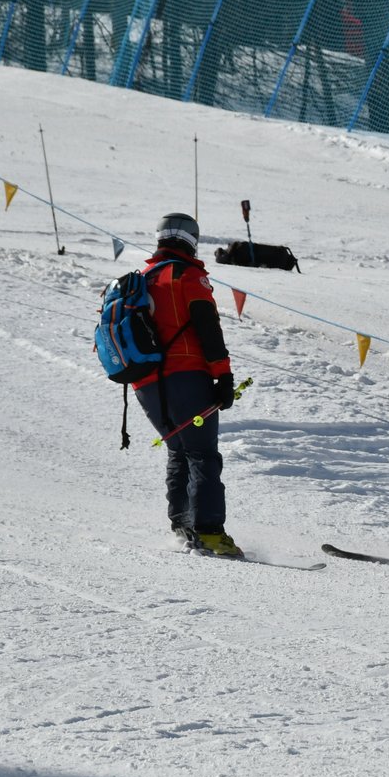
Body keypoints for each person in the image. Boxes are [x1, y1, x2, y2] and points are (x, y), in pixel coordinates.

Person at [132, 212, 241, 556]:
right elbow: (208, 329)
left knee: (180, 450)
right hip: (185, 377)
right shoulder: (188, 276)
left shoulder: (143, 276)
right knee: (202, 454)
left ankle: (183, 528)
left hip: (145, 383)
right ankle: (209, 533)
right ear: (192, 240)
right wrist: (223, 375)